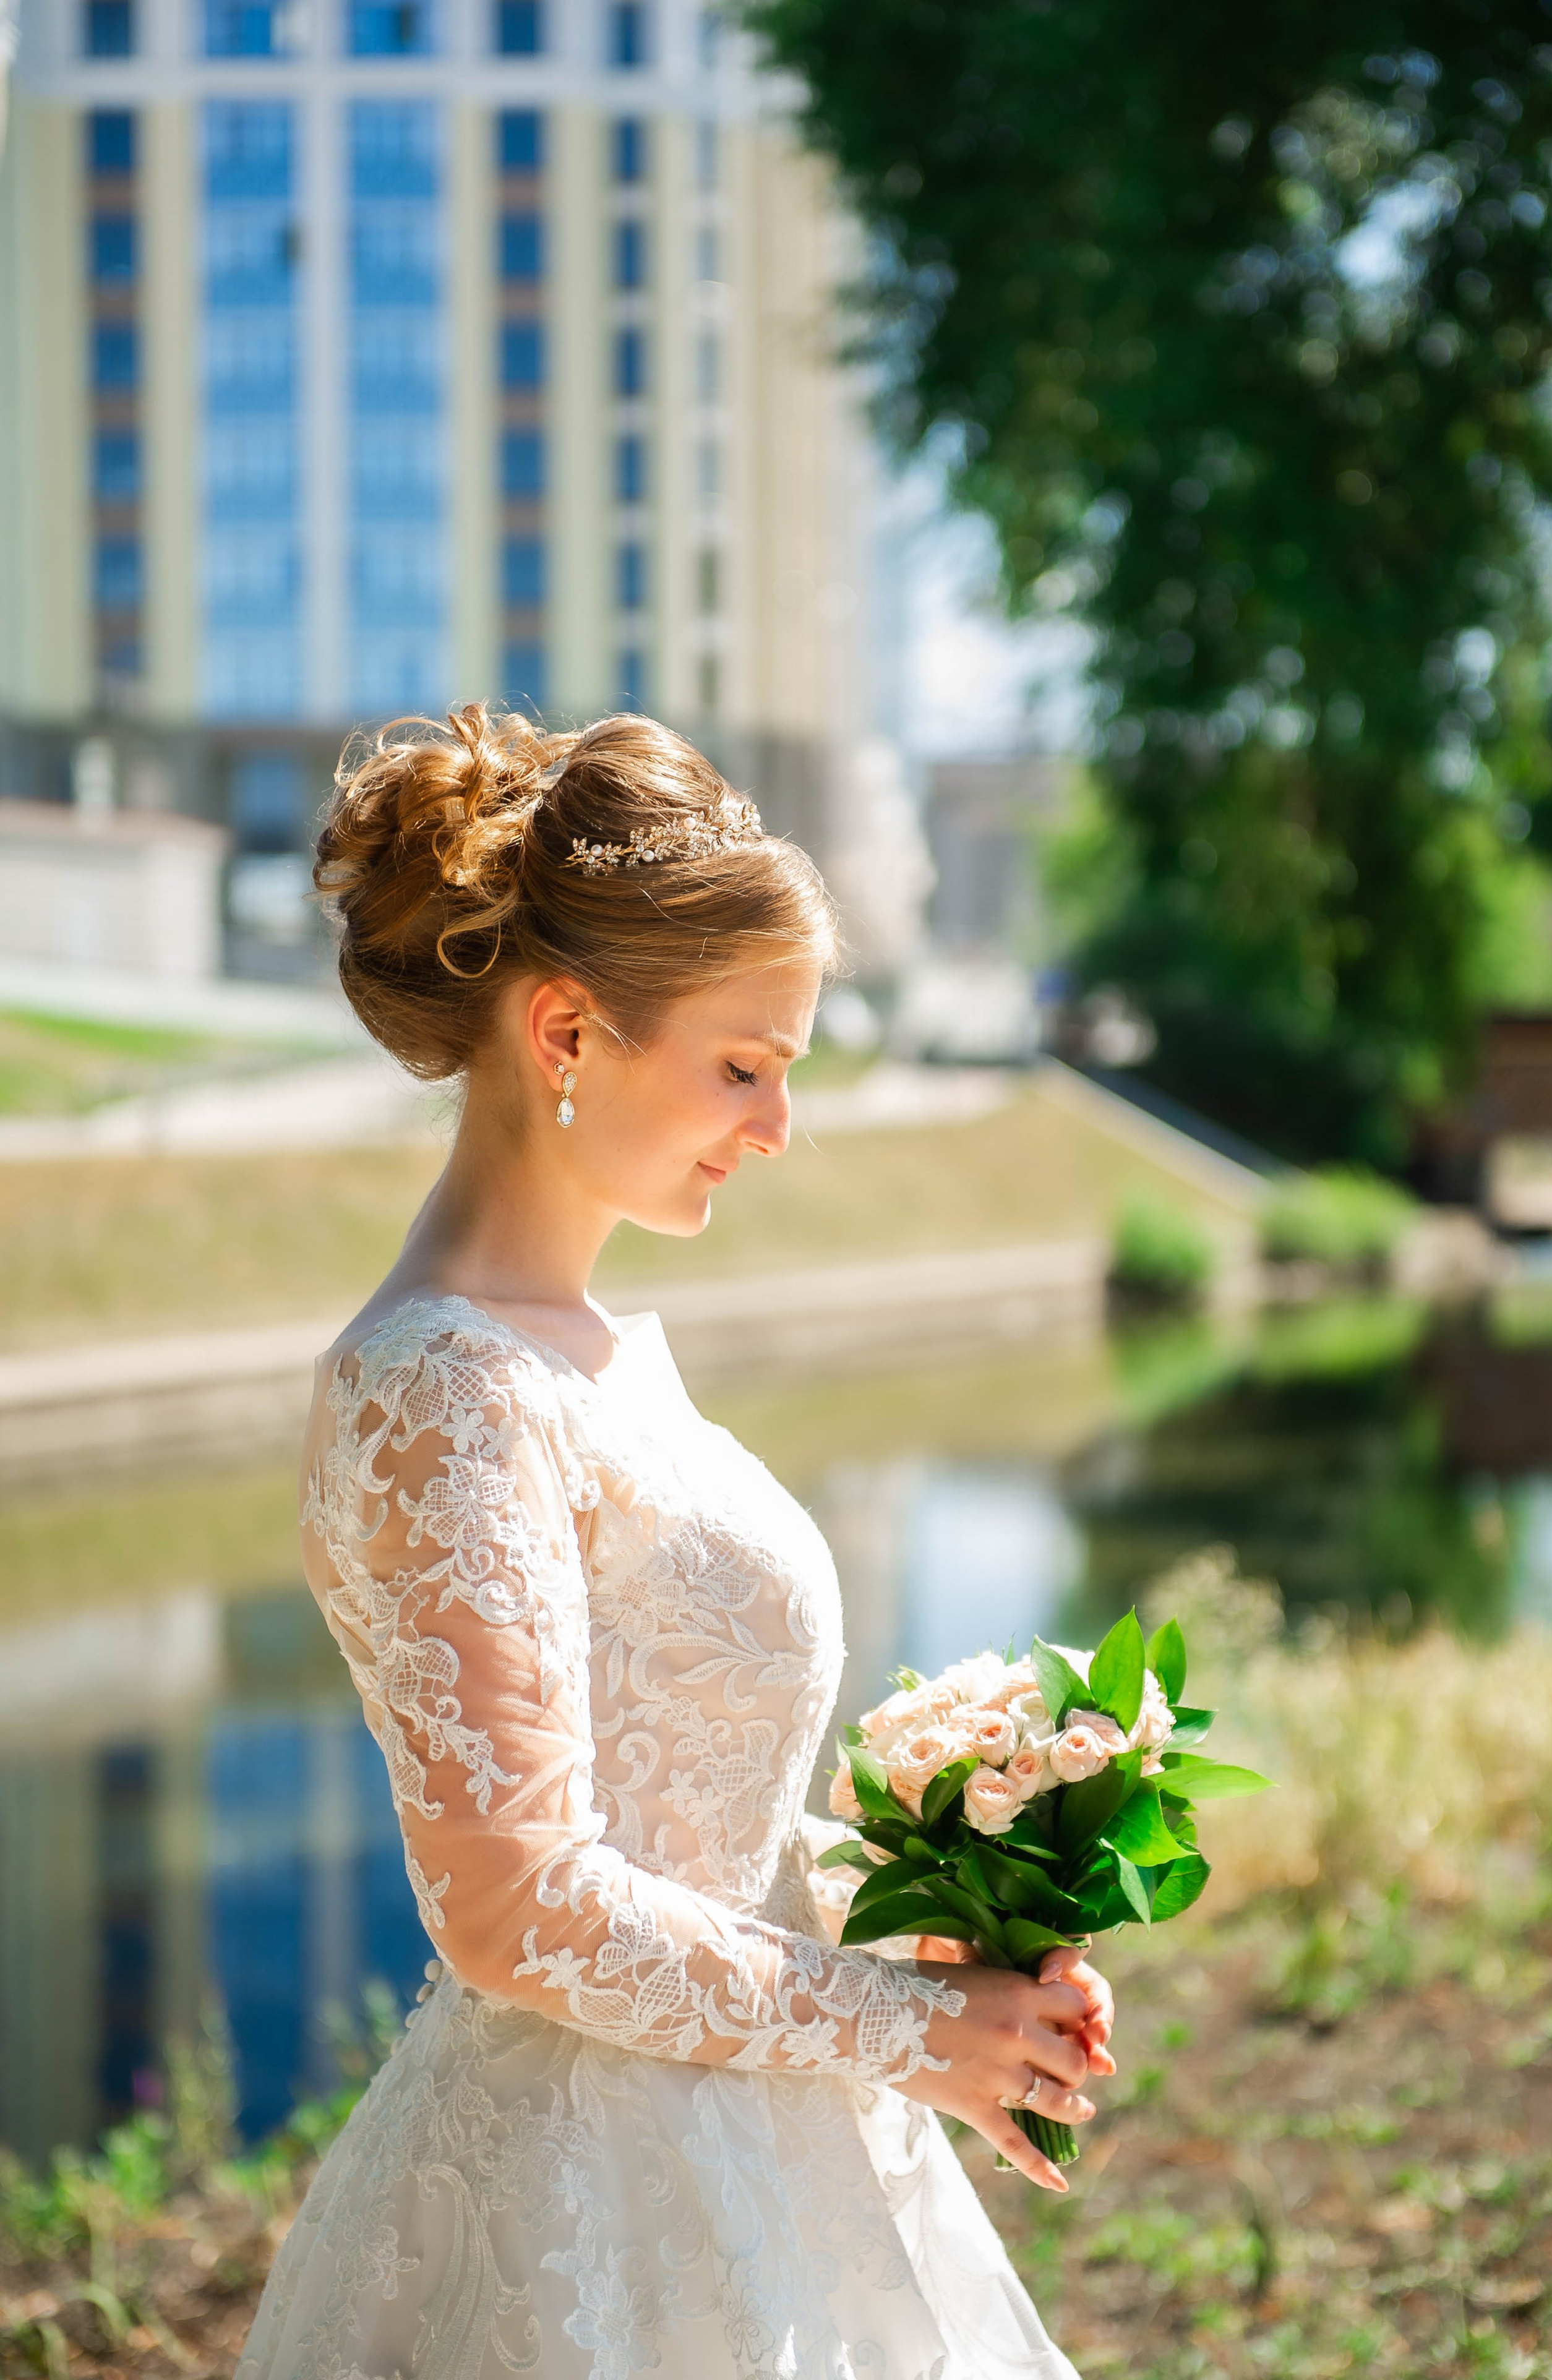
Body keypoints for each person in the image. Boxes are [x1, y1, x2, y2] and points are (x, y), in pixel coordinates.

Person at [238, 705, 1115, 2380]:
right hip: (591, 2223)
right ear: (566, 1031)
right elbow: (513, 1905)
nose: (779, 1125)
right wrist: (910, 2033)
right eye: (745, 1064)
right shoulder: (447, 1391)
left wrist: (951, 1950)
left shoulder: (598, 1353)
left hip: (783, 2149)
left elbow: (686, 1835)